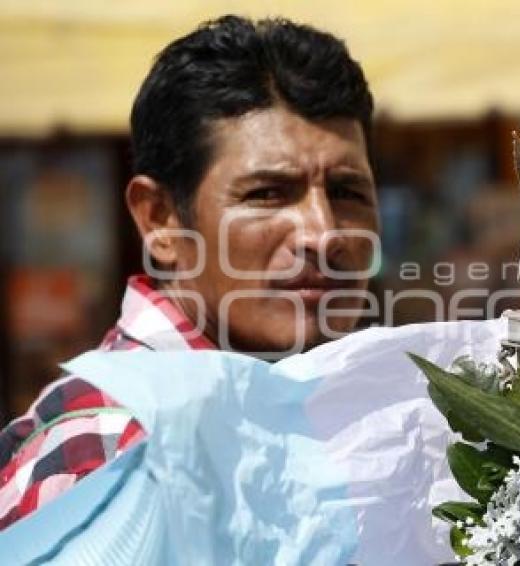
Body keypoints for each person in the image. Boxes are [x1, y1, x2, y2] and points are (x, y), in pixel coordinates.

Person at [0, 15, 379, 530]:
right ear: (159, 220)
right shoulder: (108, 452)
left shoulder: (353, 416)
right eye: (267, 194)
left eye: (348, 192)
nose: (324, 232)